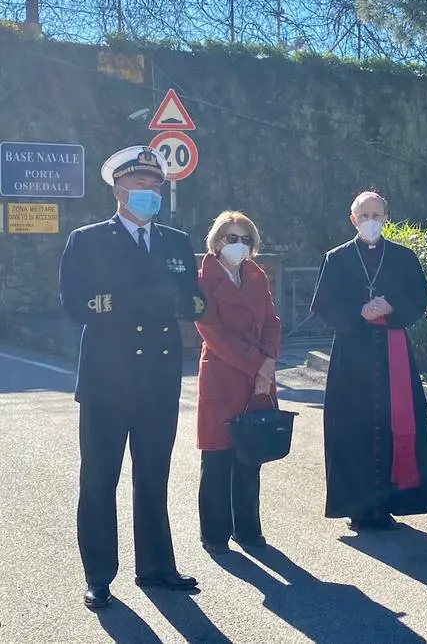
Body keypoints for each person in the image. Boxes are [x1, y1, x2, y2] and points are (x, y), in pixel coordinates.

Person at [59, 146, 207, 609]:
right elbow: (74, 302)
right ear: (118, 189)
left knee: (154, 475)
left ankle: (157, 566)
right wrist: (133, 301)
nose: (148, 193)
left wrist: (180, 302)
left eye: (154, 186)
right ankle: (99, 575)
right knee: (100, 478)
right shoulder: (88, 240)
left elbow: (198, 301)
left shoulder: (176, 241)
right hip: (107, 379)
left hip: (158, 378)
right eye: (140, 185)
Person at [310, 191, 427, 530]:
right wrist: (359, 311)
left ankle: (391, 502)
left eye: (377, 214)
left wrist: (392, 307)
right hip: (352, 357)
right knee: (352, 429)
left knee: (396, 423)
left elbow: (420, 300)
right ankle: (358, 506)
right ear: (353, 219)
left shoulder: (402, 256)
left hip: (392, 351)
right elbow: (323, 307)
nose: (371, 221)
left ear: (385, 218)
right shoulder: (336, 259)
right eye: (364, 215)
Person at [195, 211, 281, 554]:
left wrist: (268, 364)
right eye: (232, 238)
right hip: (222, 373)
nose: (239, 245)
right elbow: (211, 332)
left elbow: (272, 322)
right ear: (217, 241)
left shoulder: (256, 276)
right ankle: (215, 533)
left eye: (246, 239)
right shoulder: (202, 279)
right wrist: (259, 363)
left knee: (250, 451)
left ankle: (247, 528)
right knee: (217, 454)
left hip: (257, 373)